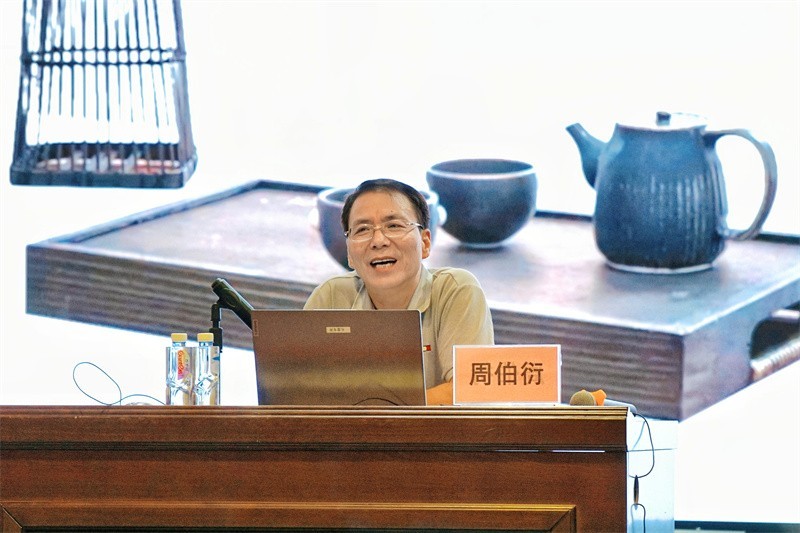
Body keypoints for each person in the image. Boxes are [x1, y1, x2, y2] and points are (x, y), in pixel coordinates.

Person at [304, 178, 494, 405]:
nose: (378, 241)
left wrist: (371, 412)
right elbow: (297, 393)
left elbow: (468, 392)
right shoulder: (330, 298)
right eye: (363, 229)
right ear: (350, 255)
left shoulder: (457, 290)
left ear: (425, 243)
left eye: (393, 226)